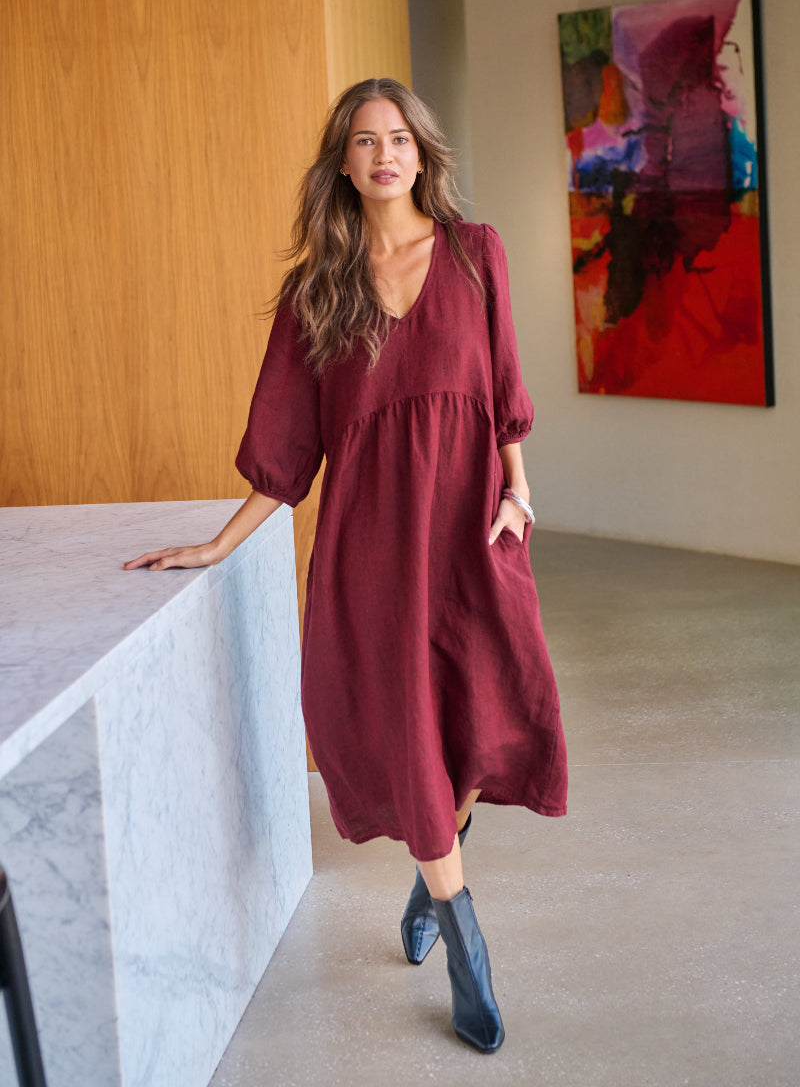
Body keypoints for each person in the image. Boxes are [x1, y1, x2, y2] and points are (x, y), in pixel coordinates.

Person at [125, 78, 568, 1054]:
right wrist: (213, 543)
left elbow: (500, 393)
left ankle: (429, 868)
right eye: (363, 141)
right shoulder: (314, 291)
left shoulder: (471, 252)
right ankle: (465, 949)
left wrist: (517, 492)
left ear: (421, 153)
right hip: (370, 550)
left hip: (468, 534)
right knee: (406, 731)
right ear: (342, 161)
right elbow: (285, 451)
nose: (383, 155)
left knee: (473, 719)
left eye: (398, 138)